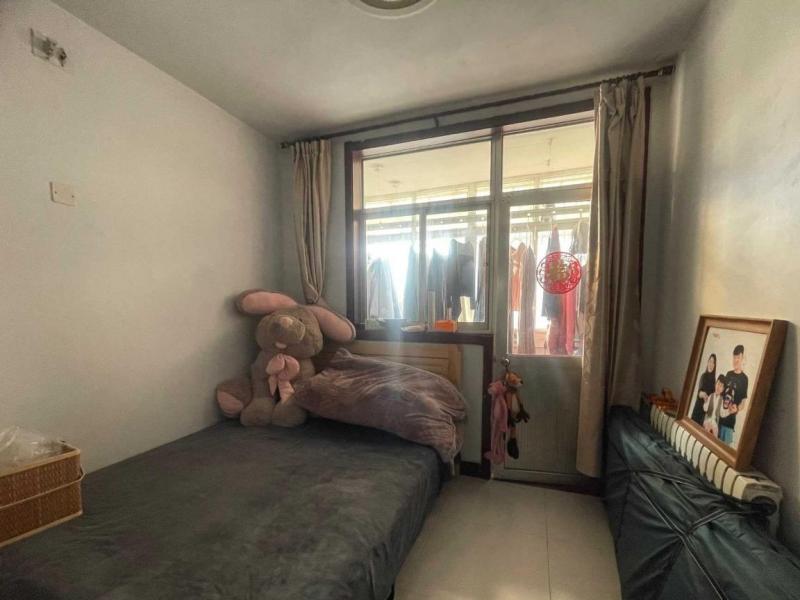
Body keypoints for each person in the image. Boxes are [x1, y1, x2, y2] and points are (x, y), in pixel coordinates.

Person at [719, 345, 749, 444]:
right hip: (718, 419)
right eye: (734, 357)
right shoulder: (728, 374)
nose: (735, 360)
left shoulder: (744, 379)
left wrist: (736, 409)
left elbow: (743, 404)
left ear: (742, 358)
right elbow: (721, 394)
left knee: (724, 448)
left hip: (730, 423)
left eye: (738, 357)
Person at [691, 353, 717, 426]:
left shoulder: (714, 381)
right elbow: (699, 393)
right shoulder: (703, 376)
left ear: (715, 365)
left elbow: (713, 397)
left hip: (706, 412)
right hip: (698, 408)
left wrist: (708, 399)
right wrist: (703, 394)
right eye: (710, 361)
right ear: (708, 362)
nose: (711, 364)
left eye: (713, 362)